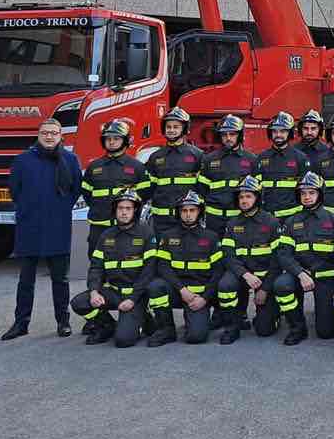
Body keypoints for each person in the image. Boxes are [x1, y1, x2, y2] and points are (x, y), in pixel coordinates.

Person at [0, 119, 82, 340]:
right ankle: (21, 323)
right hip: (30, 226)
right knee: (26, 280)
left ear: (60, 136)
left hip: (58, 226)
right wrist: (29, 208)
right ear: (38, 135)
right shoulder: (22, 160)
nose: (49, 136)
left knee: (60, 280)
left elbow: (75, 189)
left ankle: (63, 322)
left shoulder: (70, 160)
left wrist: (60, 208)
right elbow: (15, 190)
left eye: (53, 133)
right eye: (45, 132)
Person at [70, 190, 157, 347]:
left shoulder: (146, 233)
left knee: (123, 340)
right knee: (79, 303)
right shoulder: (106, 235)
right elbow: (96, 267)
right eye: (120, 208)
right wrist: (94, 291)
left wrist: (132, 299)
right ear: (115, 211)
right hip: (113, 292)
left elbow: (148, 272)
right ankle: (106, 326)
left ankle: (144, 318)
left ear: (135, 210)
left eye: (128, 208)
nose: (124, 212)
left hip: (136, 295)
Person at [145, 190, 224, 346]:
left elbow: (218, 272)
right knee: (156, 286)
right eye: (184, 211)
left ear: (199, 212)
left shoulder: (211, 237)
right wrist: (182, 290)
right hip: (177, 291)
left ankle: (198, 319)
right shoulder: (167, 236)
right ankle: (166, 329)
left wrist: (204, 298)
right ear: (179, 213)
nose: (188, 214)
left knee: (196, 337)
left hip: (200, 296)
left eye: (192, 210)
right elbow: (163, 267)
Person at [274, 172, 334, 344]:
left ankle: (333, 312)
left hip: (325, 276)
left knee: (325, 332)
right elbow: (284, 254)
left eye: (311, 193)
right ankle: (297, 327)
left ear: (320, 194)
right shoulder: (291, 222)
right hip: (299, 274)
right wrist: (300, 273)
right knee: (282, 285)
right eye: (303, 193)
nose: (307, 197)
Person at [216, 176, 283, 343]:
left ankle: (273, 313)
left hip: (265, 278)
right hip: (242, 275)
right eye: (241, 197)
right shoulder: (232, 224)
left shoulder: (271, 222)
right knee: (225, 285)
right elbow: (228, 255)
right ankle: (232, 326)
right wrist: (245, 274)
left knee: (264, 330)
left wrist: (265, 289)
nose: (244, 200)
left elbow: (278, 259)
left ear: (257, 198)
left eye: (248, 196)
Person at [80, 119, 150, 259]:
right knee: (97, 261)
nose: (111, 142)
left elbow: (144, 194)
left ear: (125, 140)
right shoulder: (94, 167)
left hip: (127, 226)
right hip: (99, 226)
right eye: (108, 139)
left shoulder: (137, 167)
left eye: (116, 138)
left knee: (127, 261)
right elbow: (87, 194)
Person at [144, 107, 204, 236]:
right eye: (168, 127)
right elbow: (149, 188)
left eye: (176, 127)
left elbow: (203, 188)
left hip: (188, 219)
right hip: (162, 221)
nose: (171, 130)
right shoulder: (155, 157)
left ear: (184, 129)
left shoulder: (197, 155)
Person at [199, 114, 258, 232]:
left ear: (240, 135)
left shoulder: (252, 160)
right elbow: (201, 189)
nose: (228, 138)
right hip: (213, 219)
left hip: (240, 218)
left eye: (232, 134)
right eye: (224, 135)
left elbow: (257, 192)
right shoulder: (209, 159)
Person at [256, 111, 311, 221]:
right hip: (267, 217)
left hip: (293, 218)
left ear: (290, 133)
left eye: (283, 131)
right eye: (275, 131)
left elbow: (306, 190)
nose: (278, 135)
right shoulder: (261, 158)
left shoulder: (300, 158)